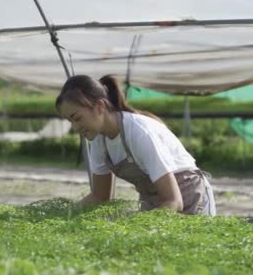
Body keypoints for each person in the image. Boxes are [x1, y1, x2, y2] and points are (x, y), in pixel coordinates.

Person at [55, 74, 216, 215]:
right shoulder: (99, 139)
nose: (75, 128)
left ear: (100, 107)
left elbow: (174, 201)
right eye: (70, 121)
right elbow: (100, 196)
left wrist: (140, 226)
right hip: (155, 201)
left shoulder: (139, 132)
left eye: (77, 118)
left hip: (189, 196)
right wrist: (63, 215)